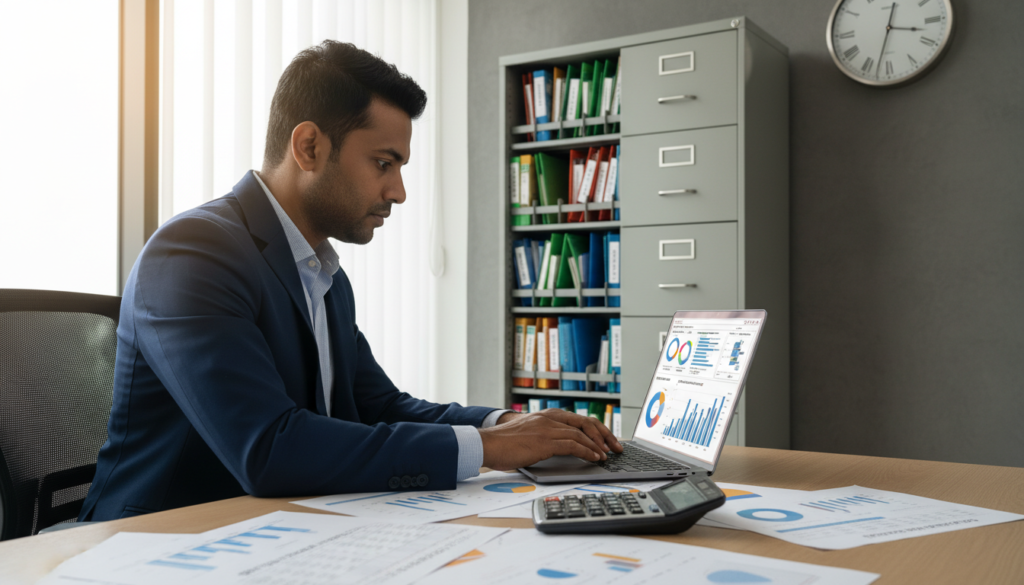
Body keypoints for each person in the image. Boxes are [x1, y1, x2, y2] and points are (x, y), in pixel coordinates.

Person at [80, 41, 621, 521]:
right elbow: (268, 449)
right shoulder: (195, 253)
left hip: (277, 528)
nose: (399, 191)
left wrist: (513, 424)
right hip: (157, 539)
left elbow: (382, 406)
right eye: (384, 163)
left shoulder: (323, 274)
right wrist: (491, 447)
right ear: (310, 147)